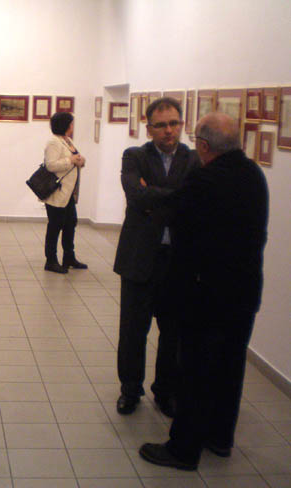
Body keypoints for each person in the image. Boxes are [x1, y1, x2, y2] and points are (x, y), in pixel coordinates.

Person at [139, 112, 269, 470]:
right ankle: (220, 438)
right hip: (244, 291)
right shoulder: (253, 174)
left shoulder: (205, 179)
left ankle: (183, 449)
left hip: (205, 293)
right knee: (230, 367)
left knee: (195, 370)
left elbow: (174, 219)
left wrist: (150, 194)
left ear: (205, 145)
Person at [113, 97, 200, 416]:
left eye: (174, 123)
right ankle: (130, 390)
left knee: (173, 332)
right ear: (148, 128)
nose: (168, 130)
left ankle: (165, 390)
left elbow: (197, 200)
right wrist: (177, 197)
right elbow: (136, 196)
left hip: (178, 260)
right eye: (161, 125)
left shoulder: (193, 159)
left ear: (182, 124)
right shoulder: (134, 155)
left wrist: (155, 197)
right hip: (139, 258)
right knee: (133, 331)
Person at [41, 111, 87, 273]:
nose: (73, 126)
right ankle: (51, 260)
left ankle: (69, 257)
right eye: (71, 123)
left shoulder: (67, 140)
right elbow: (50, 165)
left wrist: (80, 160)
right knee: (55, 227)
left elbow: (75, 158)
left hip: (69, 193)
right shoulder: (53, 142)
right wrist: (71, 160)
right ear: (65, 125)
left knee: (70, 224)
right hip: (57, 192)